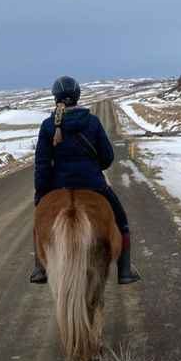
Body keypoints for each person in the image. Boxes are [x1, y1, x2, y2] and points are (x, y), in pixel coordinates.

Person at [30, 76, 140, 285]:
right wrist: (92, 168)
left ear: (56, 99)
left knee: (38, 224)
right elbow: (107, 157)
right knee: (122, 222)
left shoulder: (47, 126)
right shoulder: (92, 122)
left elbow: (42, 165)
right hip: (94, 184)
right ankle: (125, 271)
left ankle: (40, 269)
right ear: (78, 96)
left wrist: (41, 194)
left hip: (57, 185)